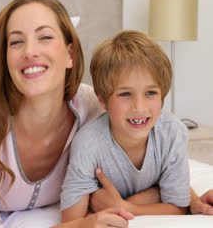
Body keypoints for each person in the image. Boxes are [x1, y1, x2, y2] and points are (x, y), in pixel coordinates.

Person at [0, 0, 135, 228]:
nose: (30, 52)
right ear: (5, 59)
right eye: (16, 42)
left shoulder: (92, 106)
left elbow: (150, 158)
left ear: (70, 55)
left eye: (44, 37)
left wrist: (190, 199)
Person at [60, 30, 190, 222]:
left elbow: (179, 208)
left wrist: (126, 207)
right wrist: (154, 196)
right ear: (103, 101)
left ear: (162, 97)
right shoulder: (88, 143)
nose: (139, 107)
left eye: (151, 93)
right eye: (125, 94)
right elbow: (72, 220)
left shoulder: (172, 133)